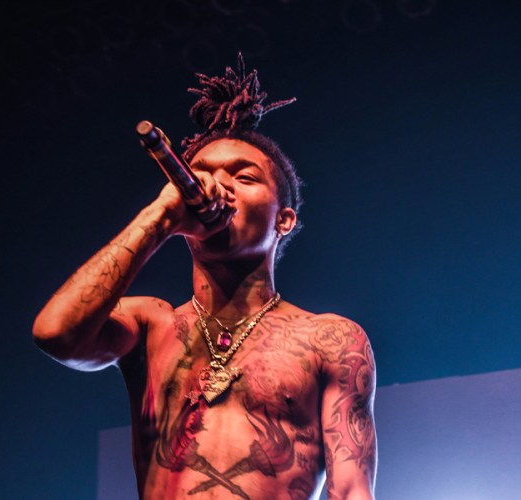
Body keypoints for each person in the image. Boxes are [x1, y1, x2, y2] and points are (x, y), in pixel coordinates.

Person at [33, 54, 377, 499]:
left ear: (284, 219)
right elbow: (56, 333)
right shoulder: (151, 325)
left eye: (244, 177)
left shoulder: (330, 339)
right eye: (203, 176)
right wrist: (160, 217)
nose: (219, 187)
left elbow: (352, 491)